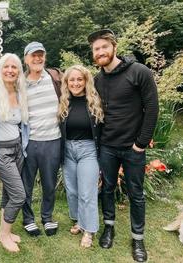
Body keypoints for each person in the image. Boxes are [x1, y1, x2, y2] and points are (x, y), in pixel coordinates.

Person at [87, 29, 159, 262]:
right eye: (96, 49)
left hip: (132, 148)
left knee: (136, 194)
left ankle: (138, 238)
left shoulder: (139, 72)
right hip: (107, 146)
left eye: (104, 47)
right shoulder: (97, 79)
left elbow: (152, 109)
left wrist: (140, 143)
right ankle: (109, 227)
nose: (100, 52)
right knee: (107, 188)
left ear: (114, 47)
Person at [0, 53, 29, 252]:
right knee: (19, 195)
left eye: (14, 67)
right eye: (6, 66)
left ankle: (7, 231)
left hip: (18, 148)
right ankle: (3, 235)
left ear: (19, 71)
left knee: (8, 194)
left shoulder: (20, 93)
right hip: (1, 151)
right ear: (0, 70)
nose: (10, 70)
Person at [58, 65, 104, 248]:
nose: (76, 83)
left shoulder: (94, 101)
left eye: (79, 79)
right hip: (68, 150)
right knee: (73, 190)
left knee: (87, 192)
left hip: (88, 150)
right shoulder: (63, 102)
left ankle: (89, 230)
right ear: (66, 83)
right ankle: (79, 220)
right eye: (72, 80)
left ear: (86, 81)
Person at [21, 42, 62, 237]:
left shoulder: (55, 77)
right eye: (33, 55)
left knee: (48, 183)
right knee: (26, 184)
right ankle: (28, 219)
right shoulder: (19, 83)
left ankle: (47, 217)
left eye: (41, 55)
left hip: (53, 140)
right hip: (30, 142)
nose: (37, 59)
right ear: (26, 59)